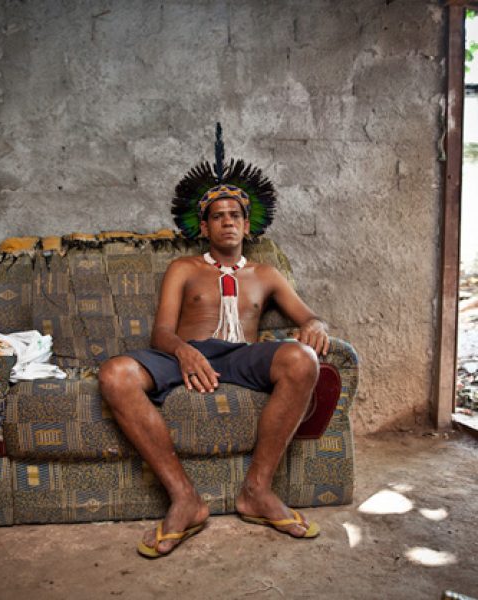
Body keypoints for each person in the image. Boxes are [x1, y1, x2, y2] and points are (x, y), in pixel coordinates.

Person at [98, 125, 330, 558]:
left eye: (235, 215)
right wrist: (183, 351)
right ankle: (186, 499)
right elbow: (161, 333)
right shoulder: (184, 268)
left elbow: (308, 316)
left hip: (243, 356)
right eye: (219, 216)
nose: (228, 222)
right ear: (204, 225)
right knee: (114, 375)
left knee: (303, 360)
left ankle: (256, 492)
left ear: (247, 224)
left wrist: (317, 325)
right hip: (190, 352)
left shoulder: (266, 274)